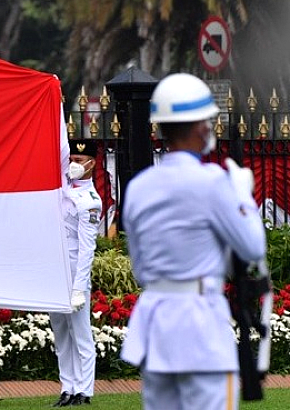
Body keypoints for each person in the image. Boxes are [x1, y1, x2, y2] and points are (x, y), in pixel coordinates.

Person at [121, 73, 266, 410]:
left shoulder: (140, 186)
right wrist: (243, 195)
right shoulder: (213, 183)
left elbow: (141, 268)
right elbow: (253, 247)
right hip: (201, 330)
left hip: (156, 328)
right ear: (202, 127)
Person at [49, 138, 101, 407]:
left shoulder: (90, 201)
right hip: (56, 270)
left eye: (80, 161)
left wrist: (79, 287)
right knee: (60, 332)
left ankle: (85, 390)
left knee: (80, 333)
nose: (74, 165)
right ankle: (67, 387)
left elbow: (86, 249)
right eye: (72, 160)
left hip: (73, 272)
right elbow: (58, 153)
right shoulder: (63, 186)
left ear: (92, 163)